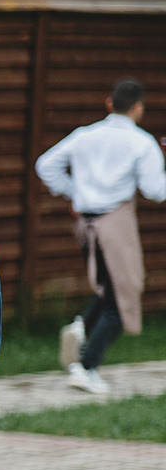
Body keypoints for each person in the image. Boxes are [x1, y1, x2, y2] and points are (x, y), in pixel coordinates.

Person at [37, 77, 165, 395]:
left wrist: (74, 194)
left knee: (109, 286)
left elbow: (45, 165)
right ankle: (86, 366)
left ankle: (81, 327)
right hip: (115, 222)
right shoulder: (141, 142)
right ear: (138, 107)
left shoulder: (85, 135)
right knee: (123, 297)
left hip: (86, 225)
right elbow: (155, 190)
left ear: (110, 103)